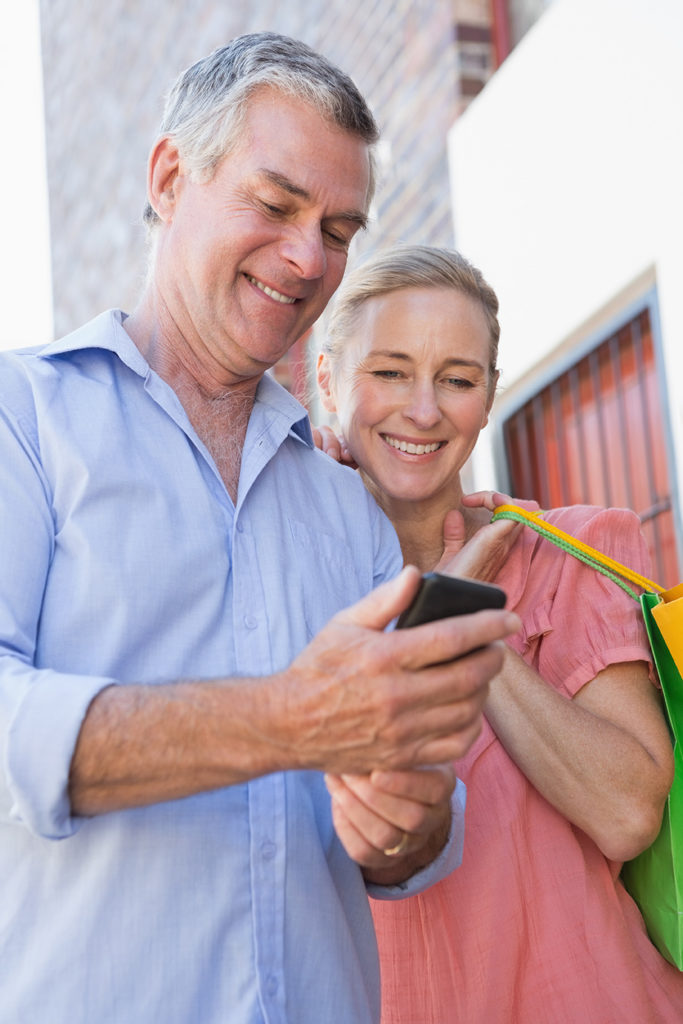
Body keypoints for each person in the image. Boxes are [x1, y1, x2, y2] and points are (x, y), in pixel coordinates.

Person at [0, 37, 519, 1024]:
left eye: (338, 228)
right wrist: (287, 718)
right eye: (275, 206)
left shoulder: (344, 506)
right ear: (167, 176)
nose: (306, 258)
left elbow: (418, 837)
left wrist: (401, 822)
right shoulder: (22, 420)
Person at [316, 243, 683, 1022]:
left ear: (487, 399)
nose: (422, 409)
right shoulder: (291, 582)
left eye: (457, 378)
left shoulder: (567, 554)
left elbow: (625, 813)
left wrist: (463, 621)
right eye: (387, 372)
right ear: (326, 381)